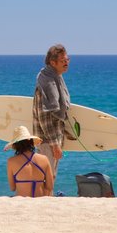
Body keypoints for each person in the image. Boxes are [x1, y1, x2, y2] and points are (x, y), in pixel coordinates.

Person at [32, 44, 77, 191]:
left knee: (49, 176)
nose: (67, 62)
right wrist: (54, 144)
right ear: (53, 62)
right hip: (47, 140)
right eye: (63, 60)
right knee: (47, 177)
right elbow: (45, 116)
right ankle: (44, 205)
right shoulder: (47, 81)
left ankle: (44, 202)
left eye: (67, 59)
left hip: (52, 137)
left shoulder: (55, 77)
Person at [5, 125, 55, 197]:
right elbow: (50, 186)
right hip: (40, 200)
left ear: (15, 145)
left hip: (22, 201)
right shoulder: (44, 159)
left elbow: (12, 188)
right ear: (31, 142)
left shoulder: (11, 161)